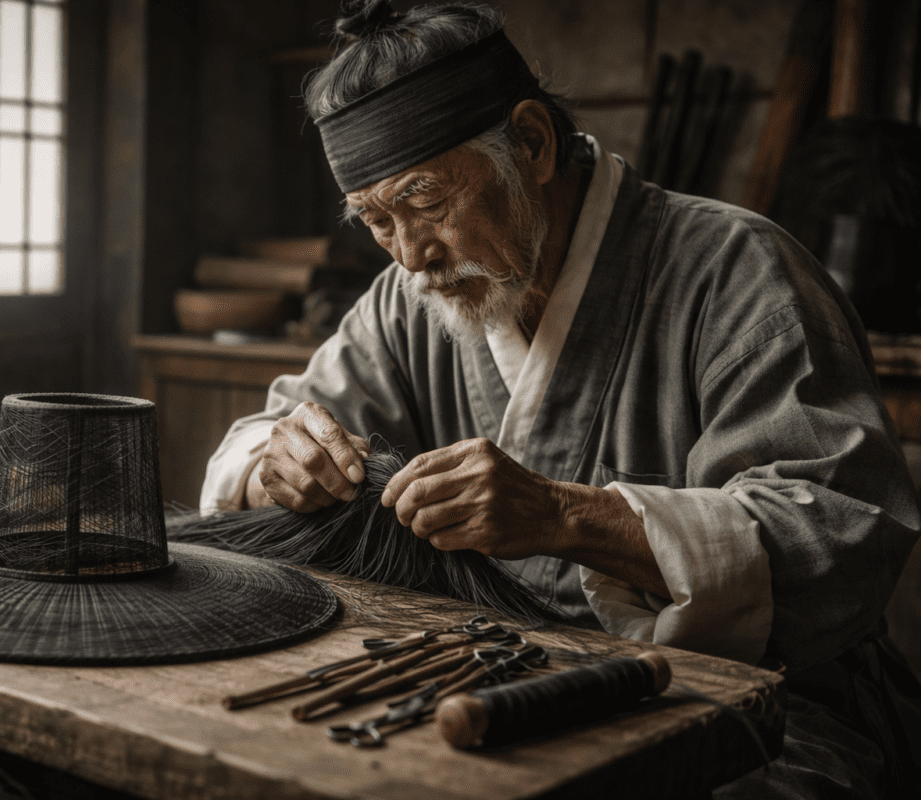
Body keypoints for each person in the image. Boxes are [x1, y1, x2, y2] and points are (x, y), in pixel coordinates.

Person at [199, 1, 921, 795]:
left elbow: (842, 534)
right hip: (500, 682)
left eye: (426, 202)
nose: (411, 255)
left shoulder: (740, 271)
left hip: (763, 714)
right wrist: (277, 462)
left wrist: (561, 516)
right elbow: (274, 428)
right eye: (376, 221)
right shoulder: (410, 300)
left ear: (533, 144)